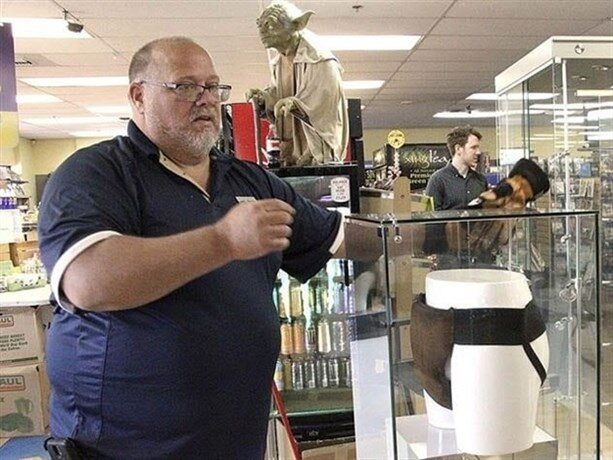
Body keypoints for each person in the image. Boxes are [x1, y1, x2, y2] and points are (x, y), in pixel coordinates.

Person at [38, 36, 345, 459]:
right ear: (138, 96)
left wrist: (426, 240)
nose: (206, 99)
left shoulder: (249, 180)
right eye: (185, 86)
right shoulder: (96, 173)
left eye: (213, 87)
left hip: (234, 444)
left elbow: (337, 235)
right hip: (123, 450)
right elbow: (88, 280)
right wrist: (223, 240)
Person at [246, 1, 348, 166]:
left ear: (297, 25)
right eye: (260, 25)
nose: (262, 31)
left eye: (270, 25)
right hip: (291, 151)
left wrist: (295, 103)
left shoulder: (320, 59)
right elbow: (279, 97)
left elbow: (324, 107)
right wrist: (264, 98)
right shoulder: (279, 61)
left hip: (316, 155)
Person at [425, 125, 488, 211]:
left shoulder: (481, 180)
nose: (478, 152)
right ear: (458, 149)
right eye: (473, 147)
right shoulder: (438, 180)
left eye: (478, 148)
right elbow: (431, 217)